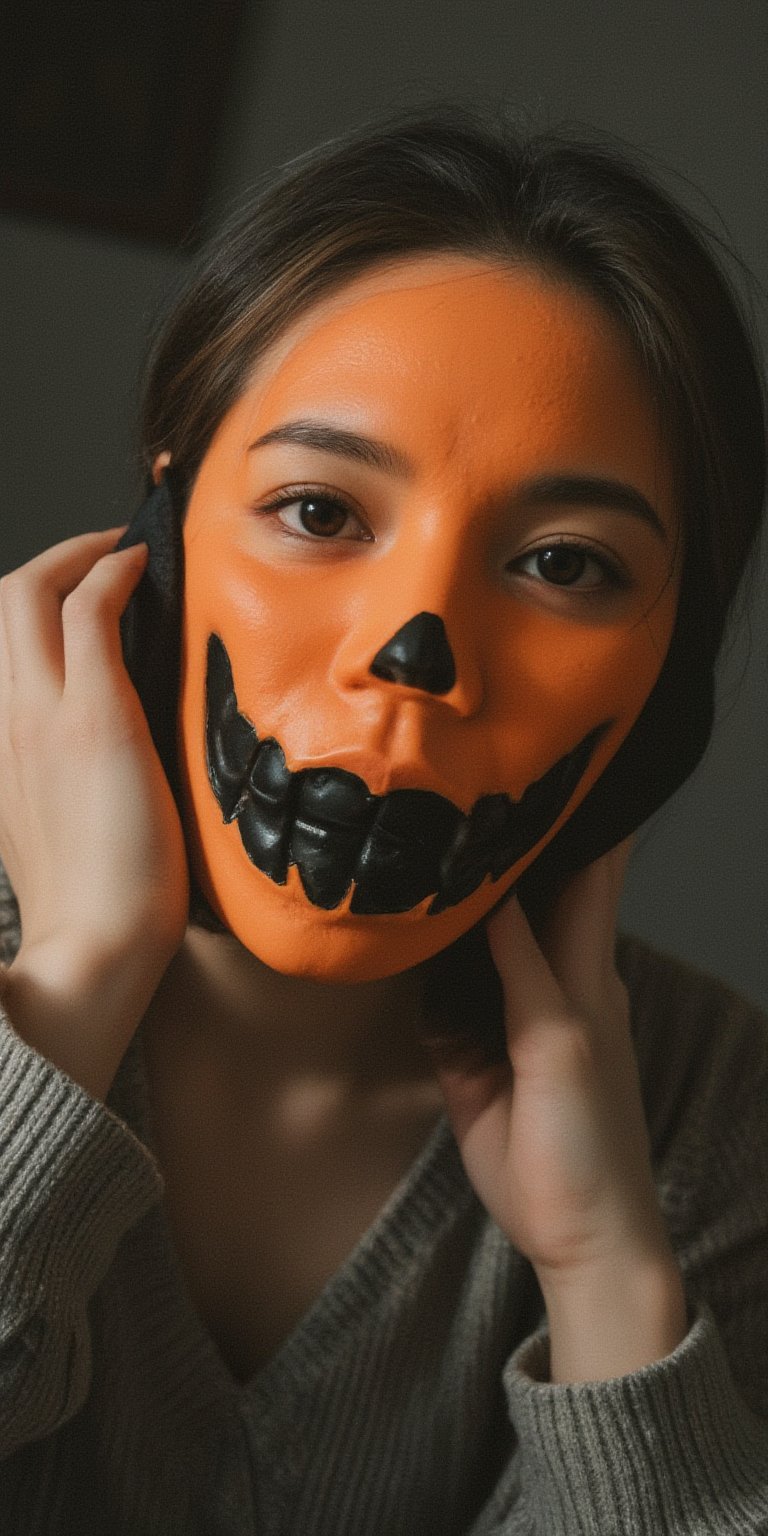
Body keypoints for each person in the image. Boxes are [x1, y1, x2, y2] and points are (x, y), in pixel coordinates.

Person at [0, 109, 766, 1534]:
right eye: (315, 509)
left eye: (563, 563)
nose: (414, 650)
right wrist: (72, 987)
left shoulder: (710, 1108)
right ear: (157, 532)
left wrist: (607, 1266)